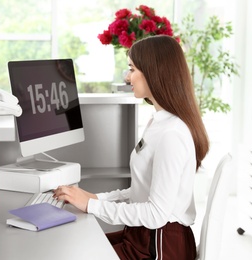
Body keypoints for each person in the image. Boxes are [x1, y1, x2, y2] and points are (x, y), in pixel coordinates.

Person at [53, 35, 209, 260]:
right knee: (77, 245)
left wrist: (91, 206)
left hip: (161, 245)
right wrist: (96, 198)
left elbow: (156, 214)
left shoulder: (172, 134)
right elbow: (142, 191)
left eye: (132, 69)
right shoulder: (158, 122)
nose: (128, 77)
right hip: (143, 235)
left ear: (154, 72)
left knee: (76, 253)